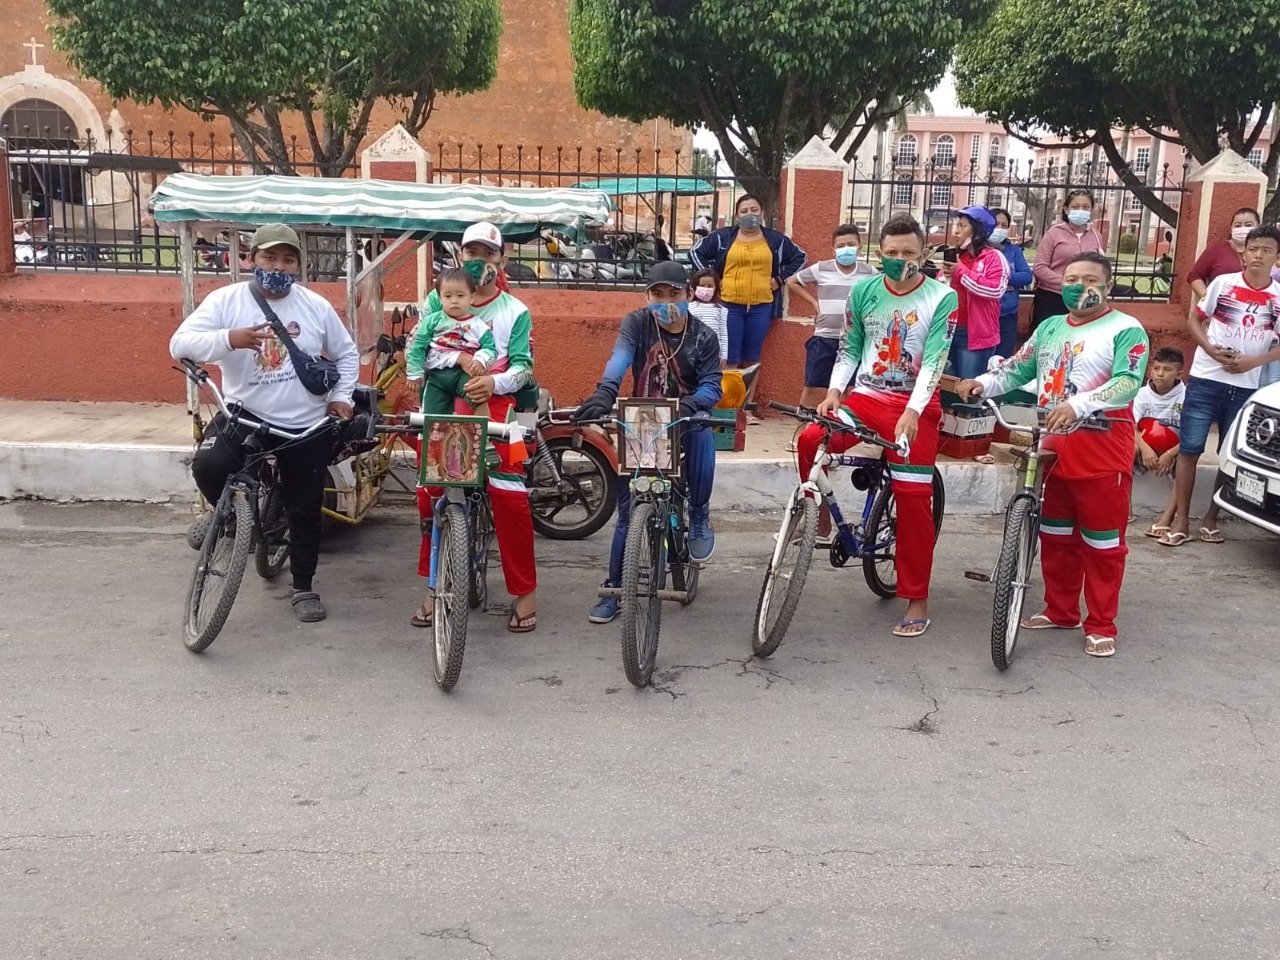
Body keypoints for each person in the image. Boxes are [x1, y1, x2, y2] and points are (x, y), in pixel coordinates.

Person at [957, 252, 1150, 659]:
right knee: (1056, 537)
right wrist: (982, 383)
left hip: (1101, 452)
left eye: (1090, 279)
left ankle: (1101, 624)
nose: (1080, 286)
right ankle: (1061, 610)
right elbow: (1016, 369)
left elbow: (1127, 382)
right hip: (1050, 450)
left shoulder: (1126, 329)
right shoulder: (1049, 327)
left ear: (1108, 285)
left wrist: (1080, 405)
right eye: (1072, 279)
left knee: (1103, 545)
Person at [169, 223, 359, 623]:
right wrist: (228, 339)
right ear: (251, 259)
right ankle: (231, 518)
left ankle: (304, 586)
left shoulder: (315, 306)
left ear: (298, 266)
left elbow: (346, 355)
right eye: (270, 258)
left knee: (305, 508)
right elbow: (180, 344)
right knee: (209, 465)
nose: (279, 266)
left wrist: (341, 398)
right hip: (245, 415)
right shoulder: (226, 301)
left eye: (288, 260)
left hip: (305, 425)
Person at [798, 213, 956, 639]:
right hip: (865, 400)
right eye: (890, 253)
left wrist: (914, 411)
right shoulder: (865, 290)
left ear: (922, 254)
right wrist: (834, 393)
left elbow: (936, 362)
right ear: (879, 254)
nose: (899, 260)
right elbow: (850, 347)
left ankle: (916, 597)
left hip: (916, 405)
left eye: (908, 253)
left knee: (911, 498)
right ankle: (820, 520)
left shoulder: (942, 297)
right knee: (812, 437)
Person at [572, 261, 723, 624]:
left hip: (686, 418)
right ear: (647, 296)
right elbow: (620, 358)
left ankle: (699, 513)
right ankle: (615, 587)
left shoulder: (704, 336)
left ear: (688, 294)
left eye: (674, 294)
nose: (666, 301)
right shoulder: (637, 323)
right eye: (658, 294)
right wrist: (607, 390)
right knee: (627, 511)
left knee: (703, 432)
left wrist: (691, 402)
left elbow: (712, 385)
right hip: (642, 419)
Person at [411, 221, 539, 633]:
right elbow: (420, 351)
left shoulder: (515, 311)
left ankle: (525, 593)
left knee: (511, 497)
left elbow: (523, 368)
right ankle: (432, 589)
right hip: (445, 399)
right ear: (459, 256)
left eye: (488, 253)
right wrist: (459, 363)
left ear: (501, 259)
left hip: (498, 404)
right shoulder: (435, 301)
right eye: (472, 252)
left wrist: (492, 382)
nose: (479, 261)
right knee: (430, 496)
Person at [1160, 224, 1280, 547]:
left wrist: (1250, 364)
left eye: (1266, 250)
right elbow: (1194, 320)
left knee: (1230, 451)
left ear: (1277, 257)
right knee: (1190, 449)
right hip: (1206, 378)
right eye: (1253, 249)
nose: (1258, 255)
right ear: (1243, 253)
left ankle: (1212, 518)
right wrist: (1212, 351)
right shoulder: (1223, 285)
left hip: (1245, 385)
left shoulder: (1278, 297)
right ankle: (1182, 519)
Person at [689, 194, 806, 378]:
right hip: (729, 305)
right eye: (744, 211)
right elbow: (695, 252)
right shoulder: (724, 237)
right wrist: (712, 278)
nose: (749, 214)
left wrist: (779, 279)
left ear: (762, 213)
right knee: (729, 358)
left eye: (754, 210)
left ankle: (748, 403)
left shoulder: (775, 240)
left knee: (752, 359)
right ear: (737, 215)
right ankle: (730, 403)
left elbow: (801, 257)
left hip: (762, 306)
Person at [785, 223, 877, 409]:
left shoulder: (870, 273)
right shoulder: (821, 268)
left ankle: (837, 431)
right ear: (833, 249)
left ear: (859, 246)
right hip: (824, 337)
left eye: (850, 244)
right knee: (811, 384)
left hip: (853, 340)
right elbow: (792, 282)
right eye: (841, 246)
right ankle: (801, 431)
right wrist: (813, 302)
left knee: (844, 388)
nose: (846, 249)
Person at [403, 267, 496, 420]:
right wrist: (414, 372)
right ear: (440, 299)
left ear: (471, 298)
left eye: (460, 295)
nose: (454, 300)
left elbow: (491, 349)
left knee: (479, 398)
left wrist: (481, 360)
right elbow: (417, 346)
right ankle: (432, 442)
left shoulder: (480, 326)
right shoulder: (432, 322)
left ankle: (485, 436)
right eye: (447, 296)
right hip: (437, 376)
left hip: (465, 374)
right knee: (431, 416)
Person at [939, 206, 1009, 381]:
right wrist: (943, 277)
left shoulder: (994, 257)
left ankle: (970, 409)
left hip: (976, 335)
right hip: (949, 331)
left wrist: (961, 272)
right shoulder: (958, 258)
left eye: (962, 226)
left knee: (969, 388)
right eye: (957, 226)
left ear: (977, 231)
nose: (956, 231)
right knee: (947, 384)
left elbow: (995, 290)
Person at [1031, 190, 1103, 331]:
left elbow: (1099, 268)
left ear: (1091, 210)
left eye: (1085, 207)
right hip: (1052, 298)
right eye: (1075, 207)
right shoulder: (1053, 233)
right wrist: (1067, 283)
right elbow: (1039, 267)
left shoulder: (1096, 237)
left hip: (1084, 300)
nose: (1080, 211)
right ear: (1066, 209)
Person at [1133, 347, 1185, 537]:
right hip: (1146, 448)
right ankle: (1126, 509)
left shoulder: (1186, 396)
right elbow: (1131, 426)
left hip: (1174, 450)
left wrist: (1170, 454)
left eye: (1167, 369)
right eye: (1156, 368)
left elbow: (1191, 434)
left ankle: (1167, 518)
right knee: (1126, 448)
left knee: (1186, 463)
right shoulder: (1141, 394)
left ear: (1179, 373)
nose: (1160, 374)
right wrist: (1145, 450)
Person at [1187, 207, 1261, 301]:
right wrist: (1207, 299)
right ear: (1231, 229)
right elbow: (1194, 276)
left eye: (1248, 225)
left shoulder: (1265, 252)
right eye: (1238, 226)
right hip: (1220, 310)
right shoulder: (1217, 249)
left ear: (1258, 227)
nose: (1242, 229)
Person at [990, 208, 1033, 357]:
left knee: (1002, 360)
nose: (1000, 229)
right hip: (983, 317)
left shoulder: (1013, 251)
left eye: (1004, 225)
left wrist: (1001, 275)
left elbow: (1027, 276)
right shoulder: (978, 250)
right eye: (996, 224)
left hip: (1007, 316)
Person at [688, 268, 729, 366]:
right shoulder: (689, 307)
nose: (706, 289)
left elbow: (723, 333)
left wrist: (723, 356)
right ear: (694, 287)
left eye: (710, 286)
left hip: (714, 353)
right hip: (693, 352)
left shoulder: (721, 309)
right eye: (702, 285)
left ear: (716, 288)